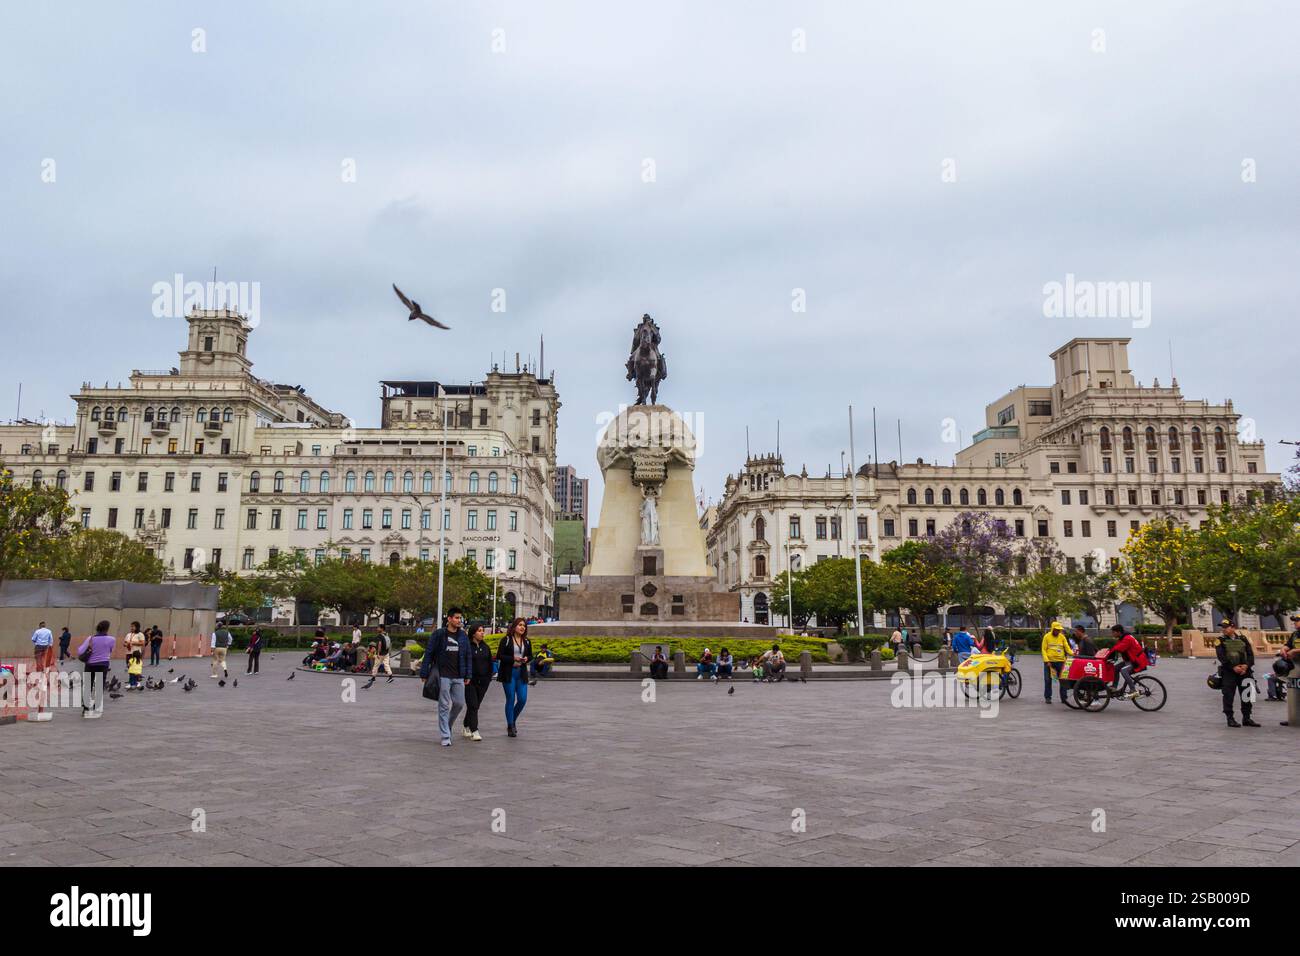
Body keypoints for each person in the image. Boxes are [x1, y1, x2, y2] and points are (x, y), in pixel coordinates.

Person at [420, 607, 471, 747]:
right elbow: (429, 653)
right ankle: (445, 736)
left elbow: (468, 656)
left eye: (460, 618)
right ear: (449, 619)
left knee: (460, 704)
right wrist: (424, 672)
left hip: (458, 675)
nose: (459, 620)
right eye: (456, 618)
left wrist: (468, 674)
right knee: (443, 705)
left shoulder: (463, 636)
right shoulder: (439, 634)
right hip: (443, 675)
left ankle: (447, 725)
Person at [1215, 619, 1259, 728]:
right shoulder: (1219, 640)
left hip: (1245, 671)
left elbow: (1250, 655)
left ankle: (1247, 718)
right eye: (1223, 627)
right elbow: (1222, 657)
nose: (1223, 629)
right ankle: (1230, 718)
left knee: (1247, 695)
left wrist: (1246, 665)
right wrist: (1233, 667)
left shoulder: (1243, 639)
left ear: (1233, 627)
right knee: (1228, 695)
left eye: (1226, 627)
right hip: (1229, 672)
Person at [496, 617, 532, 738]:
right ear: (514, 626)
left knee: (522, 699)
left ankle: (512, 720)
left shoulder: (526, 641)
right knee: (510, 698)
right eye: (520, 625)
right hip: (508, 672)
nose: (522, 627)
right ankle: (510, 725)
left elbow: (530, 655)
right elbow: (499, 655)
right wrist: (513, 658)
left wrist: (527, 658)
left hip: (521, 673)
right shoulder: (506, 640)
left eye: (524, 626)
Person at [77, 621, 116, 719]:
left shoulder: (91, 638)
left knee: (88, 686)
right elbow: (110, 650)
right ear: (107, 628)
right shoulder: (111, 639)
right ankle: (96, 707)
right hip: (103, 665)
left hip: (90, 664)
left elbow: (80, 651)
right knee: (99, 686)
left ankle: (85, 708)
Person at [462, 623, 493, 742]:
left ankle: (466, 725)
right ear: (473, 633)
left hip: (483, 681)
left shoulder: (486, 647)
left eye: (483, 631)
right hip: (469, 681)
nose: (482, 633)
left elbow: (490, 663)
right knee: (473, 705)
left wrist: (488, 678)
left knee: (474, 706)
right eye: (480, 631)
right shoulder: (467, 646)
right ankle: (474, 730)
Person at [1103, 624, 1148, 700]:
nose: (1112, 634)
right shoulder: (1123, 637)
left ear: (1118, 632)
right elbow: (1116, 647)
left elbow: (1119, 648)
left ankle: (1133, 691)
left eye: (1113, 632)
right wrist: (1108, 652)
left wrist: (1109, 653)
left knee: (1123, 671)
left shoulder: (1127, 639)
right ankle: (1114, 687)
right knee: (1115, 668)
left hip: (1137, 661)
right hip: (1131, 660)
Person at [1274, 615, 1299, 724]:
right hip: (1295, 667)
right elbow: (1287, 645)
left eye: (1297, 621)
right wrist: (1284, 650)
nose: (1295, 623)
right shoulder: (1295, 634)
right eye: (1295, 622)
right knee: (1294, 693)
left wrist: (1294, 651)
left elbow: (1293, 649)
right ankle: (1294, 717)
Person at [1040, 621, 1072, 704]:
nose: (1058, 631)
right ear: (1053, 629)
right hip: (1049, 662)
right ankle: (1048, 697)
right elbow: (1043, 649)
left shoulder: (1062, 637)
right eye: (1057, 630)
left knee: (1063, 679)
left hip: (1061, 662)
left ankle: (1064, 698)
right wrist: (1047, 661)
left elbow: (1067, 647)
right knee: (1048, 680)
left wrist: (1073, 653)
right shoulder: (1046, 637)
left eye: (1059, 630)